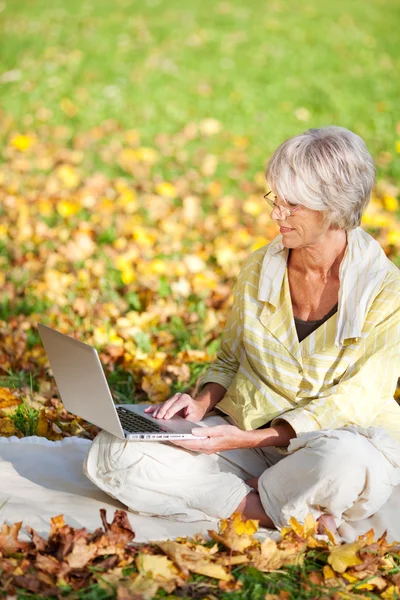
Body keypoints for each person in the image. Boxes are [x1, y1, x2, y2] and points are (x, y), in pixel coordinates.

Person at [84, 126, 400, 539]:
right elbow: (230, 359)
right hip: (248, 438)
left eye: (292, 205)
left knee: (348, 464)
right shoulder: (259, 268)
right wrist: (199, 404)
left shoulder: (386, 290)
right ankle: (262, 507)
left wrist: (246, 440)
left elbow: (354, 400)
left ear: (334, 208)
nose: (276, 214)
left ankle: (255, 497)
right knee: (114, 450)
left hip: (327, 444)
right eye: (275, 199)